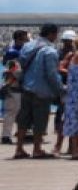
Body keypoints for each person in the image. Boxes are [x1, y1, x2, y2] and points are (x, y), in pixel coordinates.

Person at [13, 24, 63, 159]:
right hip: (42, 90)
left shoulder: (28, 46)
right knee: (40, 120)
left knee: (23, 120)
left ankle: (19, 149)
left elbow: (22, 63)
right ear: (51, 34)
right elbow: (51, 74)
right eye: (56, 34)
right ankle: (37, 149)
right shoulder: (50, 51)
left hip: (26, 87)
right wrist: (60, 90)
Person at [52, 30, 78, 155]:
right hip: (65, 88)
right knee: (63, 117)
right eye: (67, 41)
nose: (69, 43)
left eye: (70, 41)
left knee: (67, 117)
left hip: (68, 88)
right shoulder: (61, 54)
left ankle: (69, 146)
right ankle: (59, 146)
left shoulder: (71, 53)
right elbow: (58, 69)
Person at [2, 29, 29, 144]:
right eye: (25, 38)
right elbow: (13, 70)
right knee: (12, 111)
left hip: (17, 84)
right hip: (14, 84)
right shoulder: (15, 53)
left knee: (16, 111)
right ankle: (6, 135)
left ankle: (16, 133)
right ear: (19, 39)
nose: (27, 40)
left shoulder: (14, 51)